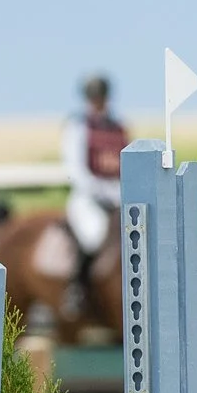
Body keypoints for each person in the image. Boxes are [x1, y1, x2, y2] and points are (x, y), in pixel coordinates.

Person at [59, 73, 128, 318]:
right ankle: (77, 291)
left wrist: (120, 191)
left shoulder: (118, 126)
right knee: (94, 236)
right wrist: (102, 191)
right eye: (95, 98)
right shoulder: (78, 127)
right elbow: (76, 170)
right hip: (88, 198)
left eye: (101, 97)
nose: (99, 102)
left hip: (119, 198)